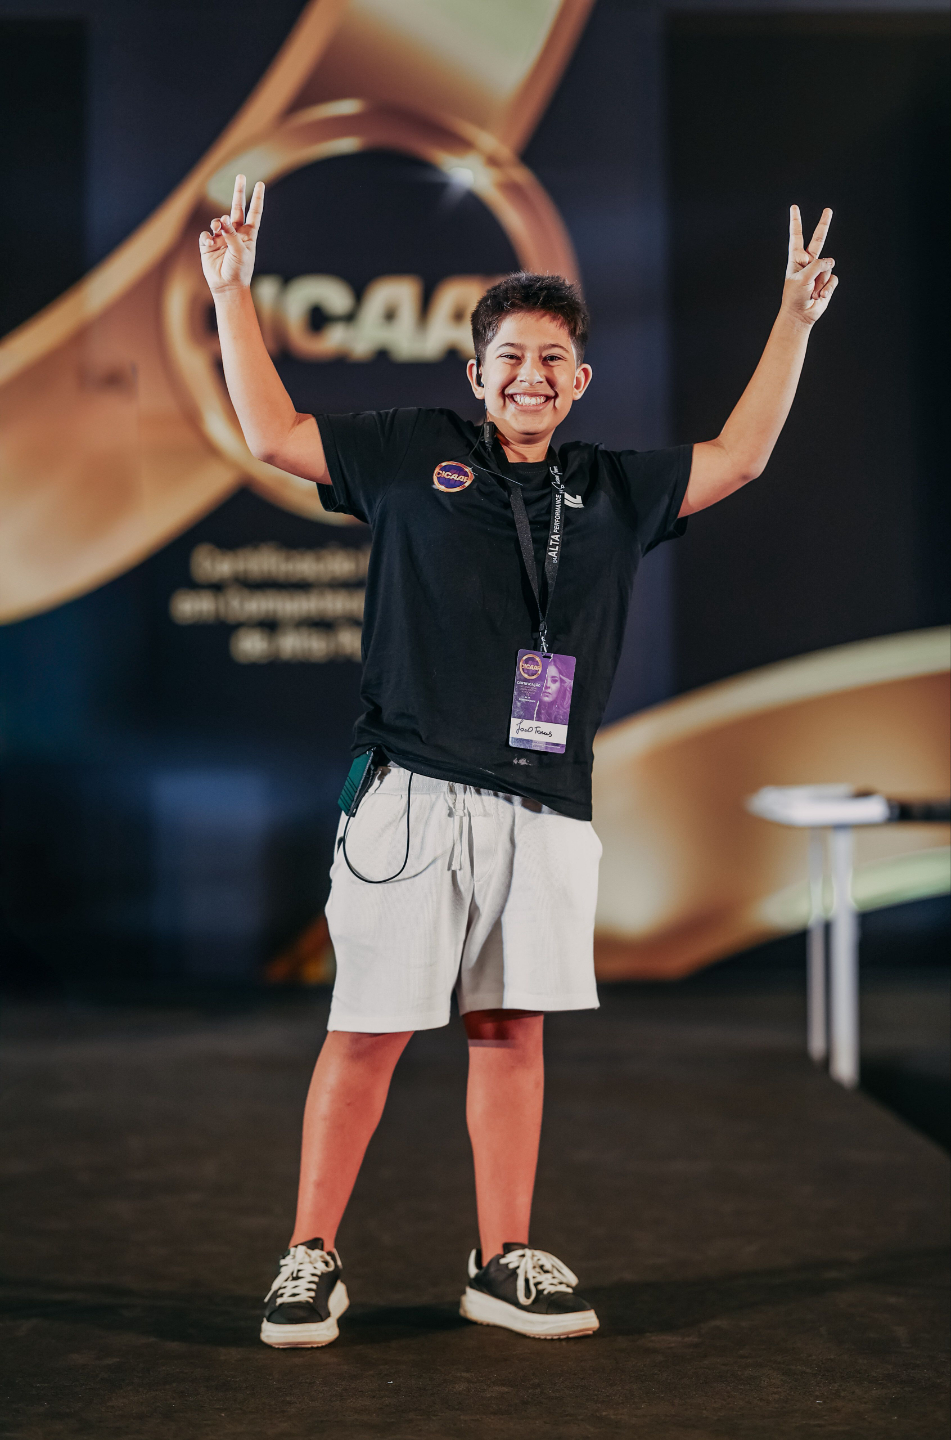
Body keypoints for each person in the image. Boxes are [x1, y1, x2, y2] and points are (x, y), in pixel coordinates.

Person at [199, 176, 837, 1347]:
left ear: (579, 380)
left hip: (544, 808)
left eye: (552, 359)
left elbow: (742, 456)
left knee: (511, 1030)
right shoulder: (411, 452)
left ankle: (501, 1260)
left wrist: (793, 321)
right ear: (475, 373)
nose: (530, 376)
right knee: (367, 1029)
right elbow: (271, 434)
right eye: (510, 358)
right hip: (407, 793)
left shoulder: (614, 489)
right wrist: (235, 293)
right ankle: (309, 1254)